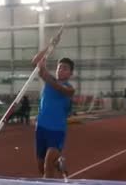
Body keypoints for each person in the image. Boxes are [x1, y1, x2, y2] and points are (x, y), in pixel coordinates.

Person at [32, 47, 75, 179]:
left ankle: (54, 162)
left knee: (47, 163)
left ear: (70, 73)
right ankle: (58, 162)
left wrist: (43, 72)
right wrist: (49, 45)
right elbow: (35, 61)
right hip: (41, 128)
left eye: (65, 68)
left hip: (56, 131)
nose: (61, 70)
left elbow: (57, 87)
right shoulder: (49, 80)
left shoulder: (69, 89)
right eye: (59, 67)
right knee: (41, 168)